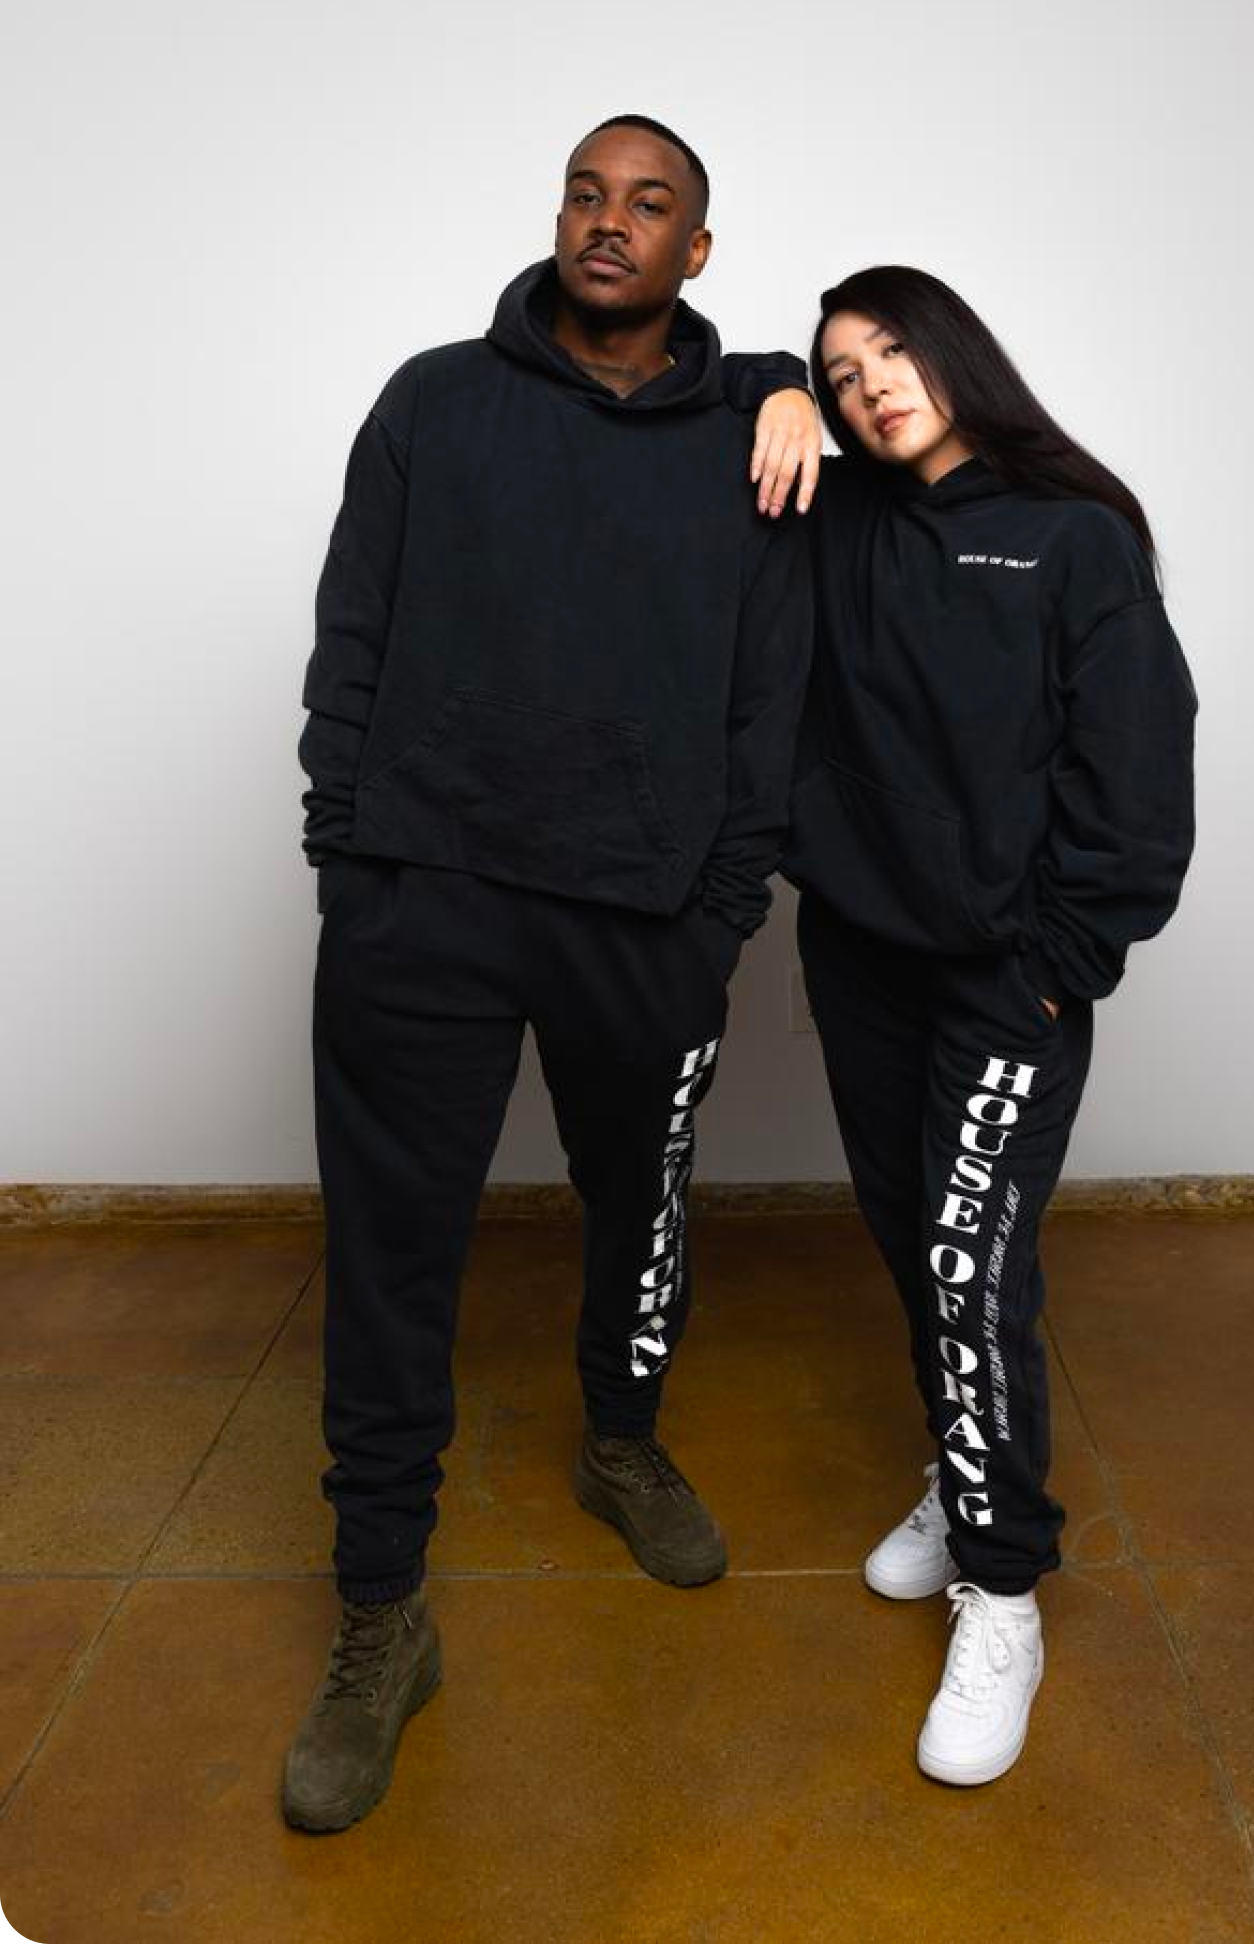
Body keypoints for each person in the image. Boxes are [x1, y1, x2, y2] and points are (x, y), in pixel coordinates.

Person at [284, 114, 823, 1833]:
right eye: (589, 192)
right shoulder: (436, 400)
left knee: (637, 1204)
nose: (610, 222)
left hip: (641, 916)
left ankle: (618, 1435)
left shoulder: (755, 438)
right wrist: (351, 858)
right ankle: (383, 1611)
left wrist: (718, 909)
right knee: (391, 1255)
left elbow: (773, 691)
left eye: (650, 204)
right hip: (424, 899)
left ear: (696, 252)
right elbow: (352, 627)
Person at [782, 265, 1196, 1787]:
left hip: (1005, 978)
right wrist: (772, 389)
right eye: (841, 373)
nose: (870, 386)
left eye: (892, 350)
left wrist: (1063, 961)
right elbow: (685, 416)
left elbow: (1140, 765)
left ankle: (1005, 1587)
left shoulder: (1075, 536)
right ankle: (966, 1482)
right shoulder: (834, 521)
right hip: (859, 960)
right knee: (915, 1245)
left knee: (973, 1268)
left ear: (956, 352)